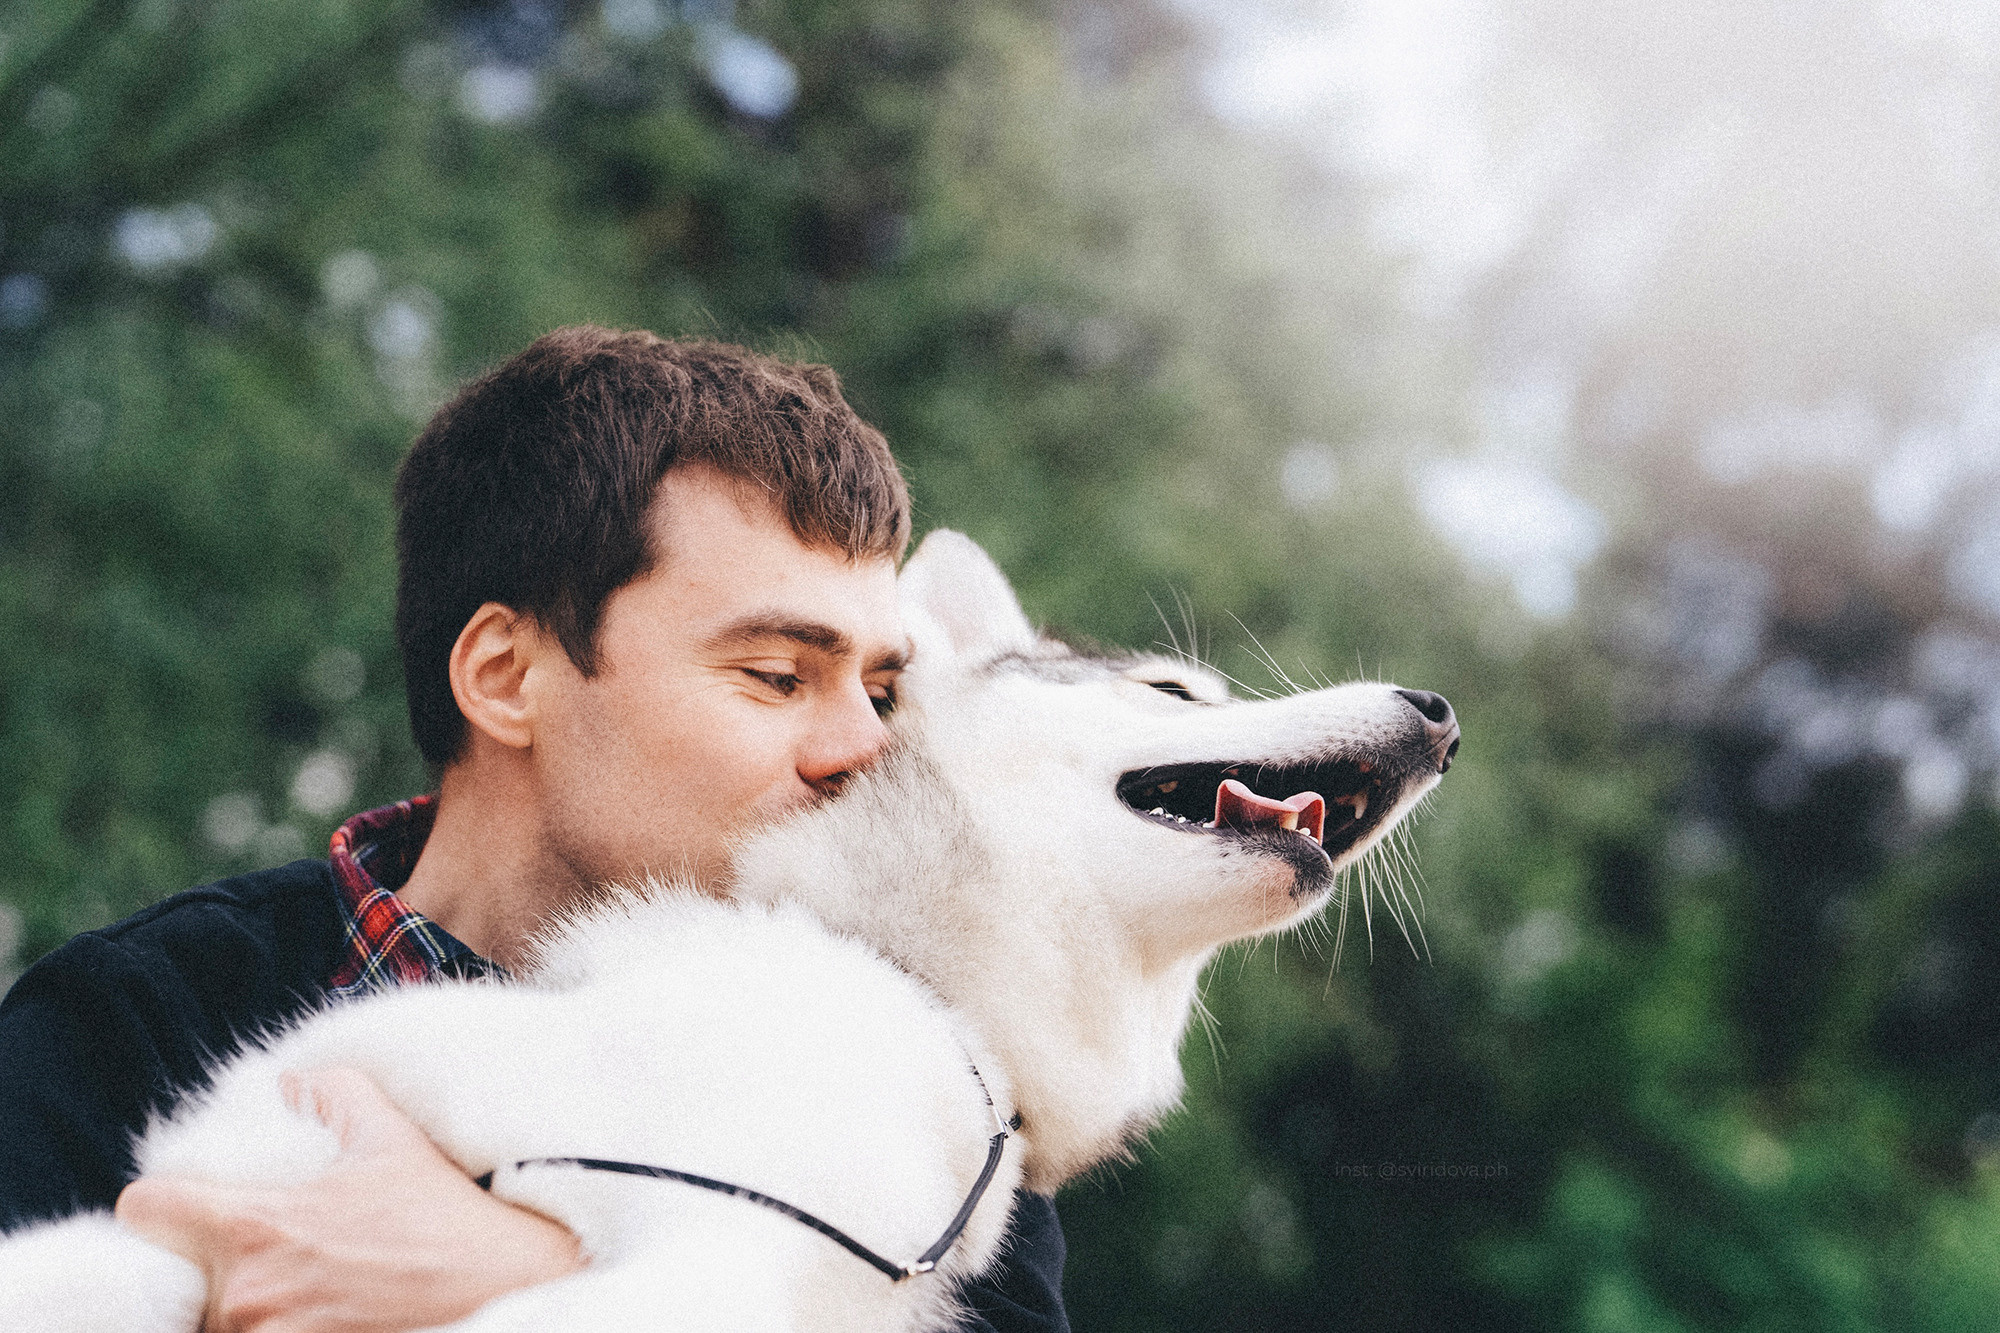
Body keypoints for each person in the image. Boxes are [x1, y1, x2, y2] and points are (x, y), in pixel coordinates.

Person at [0, 327, 1070, 1332]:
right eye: (779, 675)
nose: (866, 749)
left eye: (881, 692)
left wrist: (536, 1280)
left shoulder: (924, 1101)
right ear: (507, 677)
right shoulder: (126, 1027)